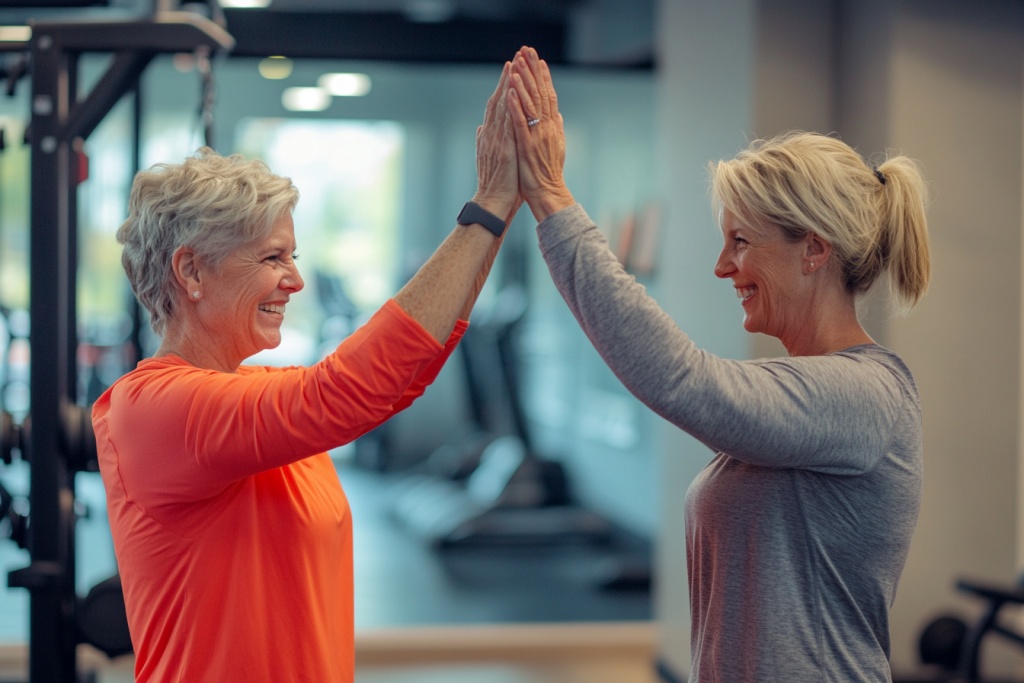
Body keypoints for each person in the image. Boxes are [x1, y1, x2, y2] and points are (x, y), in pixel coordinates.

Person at [506, 47, 929, 682]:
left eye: (740, 242)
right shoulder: (810, 394)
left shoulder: (865, 395)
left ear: (814, 249)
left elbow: (681, 378)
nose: (722, 267)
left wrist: (550, 197)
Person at [92, 62, 522, 683]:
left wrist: (501, 213)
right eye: (272, 258)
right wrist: (486, 206)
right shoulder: (154, 409)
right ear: (190, 273)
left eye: (293, 256)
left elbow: (399, 377)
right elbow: (347, 391)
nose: (294, 280)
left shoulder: (252, 392)